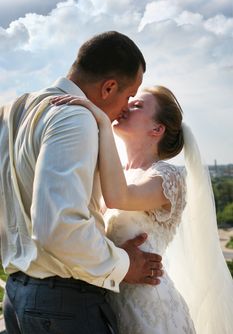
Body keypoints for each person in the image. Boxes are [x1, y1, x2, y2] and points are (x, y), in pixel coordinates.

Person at [0, 31, 163, 334]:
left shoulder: (15, 111)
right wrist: (125, 265)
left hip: (17, 297)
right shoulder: (75, 117)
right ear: (109, 87)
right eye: (128, 96)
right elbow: (59, 228)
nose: (126, 108)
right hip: (64, 307)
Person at [52, 85, 233, 334]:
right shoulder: (114, 173)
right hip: (108, 303)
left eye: (137, 105)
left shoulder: (169, 177)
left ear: (157, 130)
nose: (126, 106)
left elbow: (119, 198)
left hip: (150, 311)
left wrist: (103, 122)